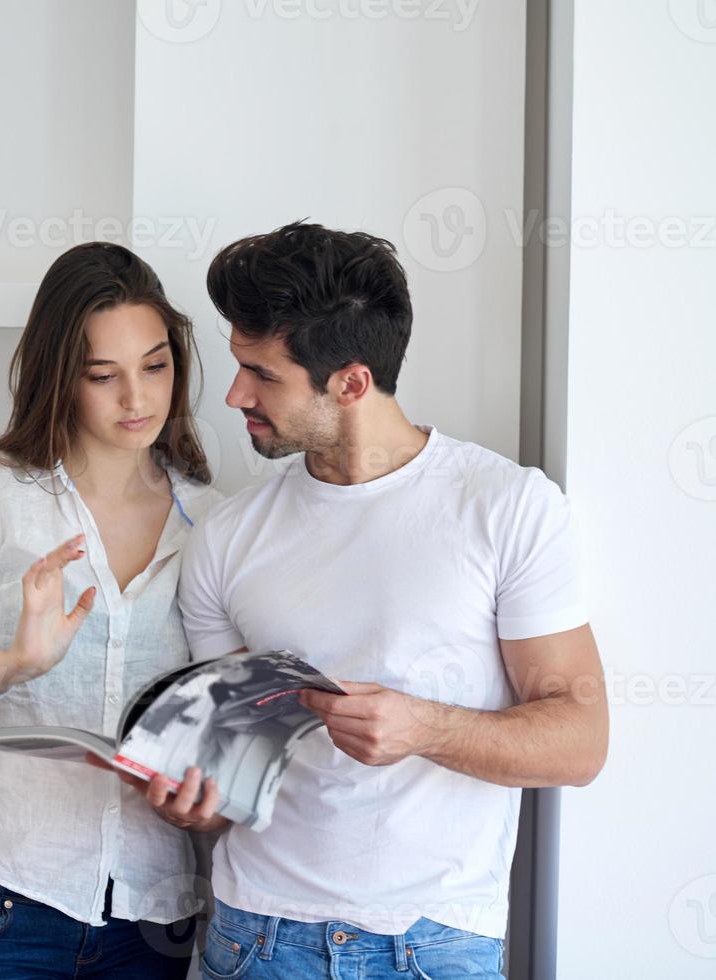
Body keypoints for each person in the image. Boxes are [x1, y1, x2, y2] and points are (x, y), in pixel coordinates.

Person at [119, 222, 608, 978]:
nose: (234, 394)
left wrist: (421, 727)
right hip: (257, 940)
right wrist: (190, 802)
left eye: (261, 374)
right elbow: (224, 769)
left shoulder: (506, 507)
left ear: (349, 382)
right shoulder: (229, 535)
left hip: (432, 945)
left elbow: (578, 742)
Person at [0, 241, 224, 978]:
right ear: (61, 376)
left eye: (155, 365)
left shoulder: (213, 522)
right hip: (0, 891)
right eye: (102, 375)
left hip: (151, 906)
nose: (137, 399)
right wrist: (6, 666)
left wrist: (207, 788)